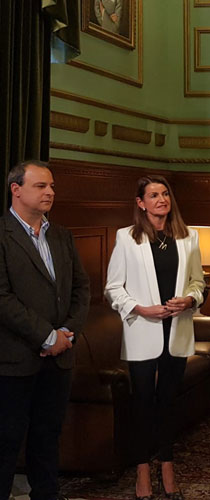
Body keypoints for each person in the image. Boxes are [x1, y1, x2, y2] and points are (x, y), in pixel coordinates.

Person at [104, 175, 205, 500]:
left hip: (176, 331)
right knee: (143, 403)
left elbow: (197, 283)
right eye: (153, 195)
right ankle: (142, 471)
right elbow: (113, 288)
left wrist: (190, 300)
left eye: (165, 194)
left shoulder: (188, 237)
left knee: (168, 403)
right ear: (140, 203)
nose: (161, 199)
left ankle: (167, 465)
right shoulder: (126, 238)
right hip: (143, 331)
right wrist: (140, 309)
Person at [0, 160, 90, 500]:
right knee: (6, 442)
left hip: (59, 359)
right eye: (41, 186)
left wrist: (66, 332)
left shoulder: (61, 235)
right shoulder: (2, 235)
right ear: (16, 189)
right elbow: (2, 297)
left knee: (48, 438)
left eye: (52, 186)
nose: (50, 192)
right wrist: (46, 336)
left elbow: (81, 288)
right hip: (14, 361)